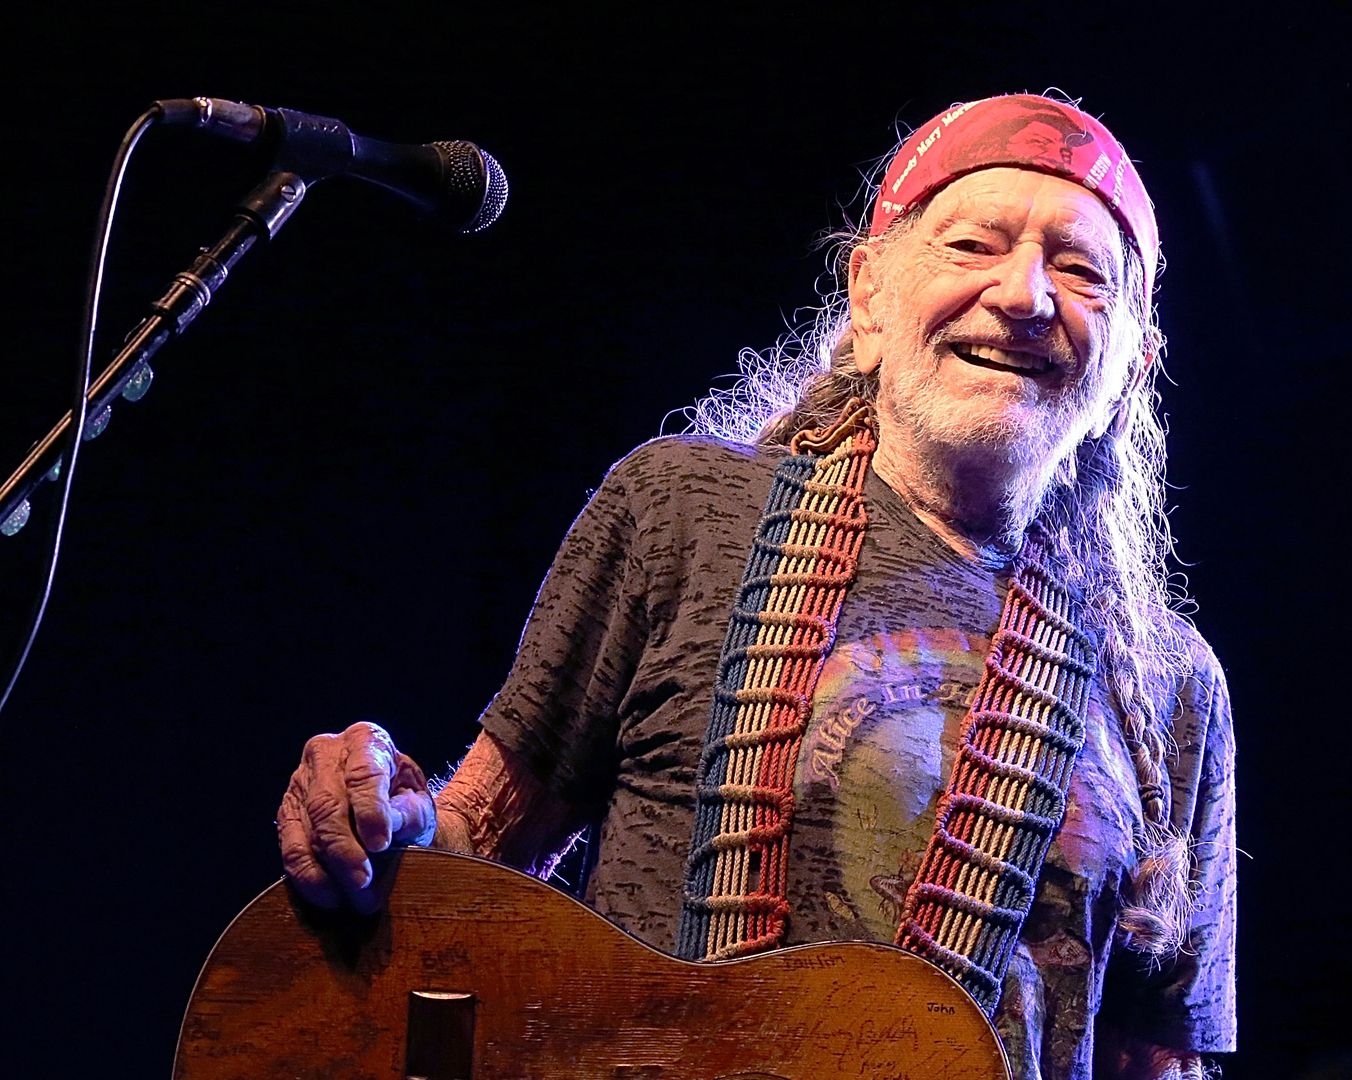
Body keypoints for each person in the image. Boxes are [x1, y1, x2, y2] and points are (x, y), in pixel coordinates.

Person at [274, 92, 1237, 1080]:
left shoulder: (1167, 683)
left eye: (1080, 271)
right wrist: (378, 820)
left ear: (1131, 369)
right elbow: (477, 844)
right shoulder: (681, 510)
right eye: (971, 245)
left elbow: (1155, 1059)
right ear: (870, 298)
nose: (1025, 294)